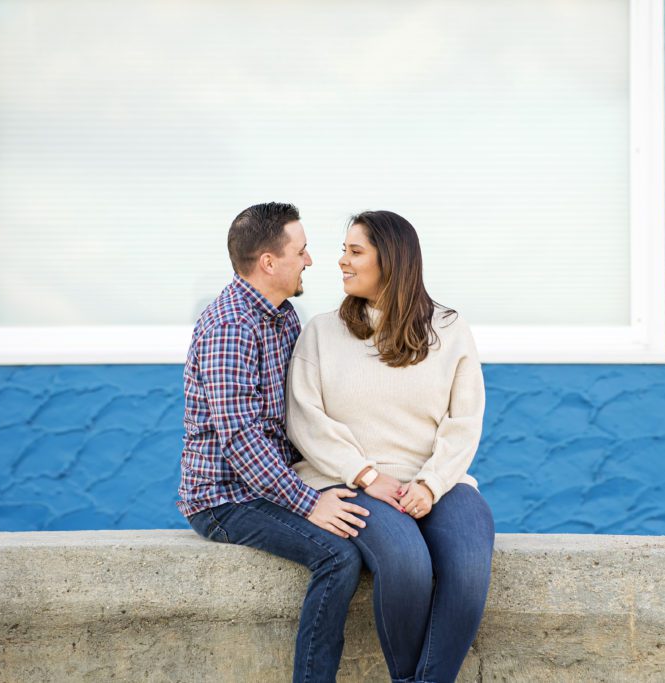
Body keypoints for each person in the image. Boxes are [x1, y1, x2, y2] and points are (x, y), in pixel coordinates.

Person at [285, 210, 495, 683]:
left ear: (392, 260)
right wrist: (365, 475)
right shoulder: (320, 332)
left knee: (467, 569)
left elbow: (464, 421)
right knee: (406, 563)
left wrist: (432, 483)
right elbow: (304, 418)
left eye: (354, 251)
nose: (340, 261)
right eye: (344, 250)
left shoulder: (450, 329)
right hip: (350, 480)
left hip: (437, 480)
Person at [178, 202, 372, 682]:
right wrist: (309, 503)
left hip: (270, 484)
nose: (310, 260)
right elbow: (241, 438)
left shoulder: (284, 316)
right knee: (338, 555)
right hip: (224, 499)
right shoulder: (230, 326)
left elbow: (303, 408)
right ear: (269, 262)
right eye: (301, 250)